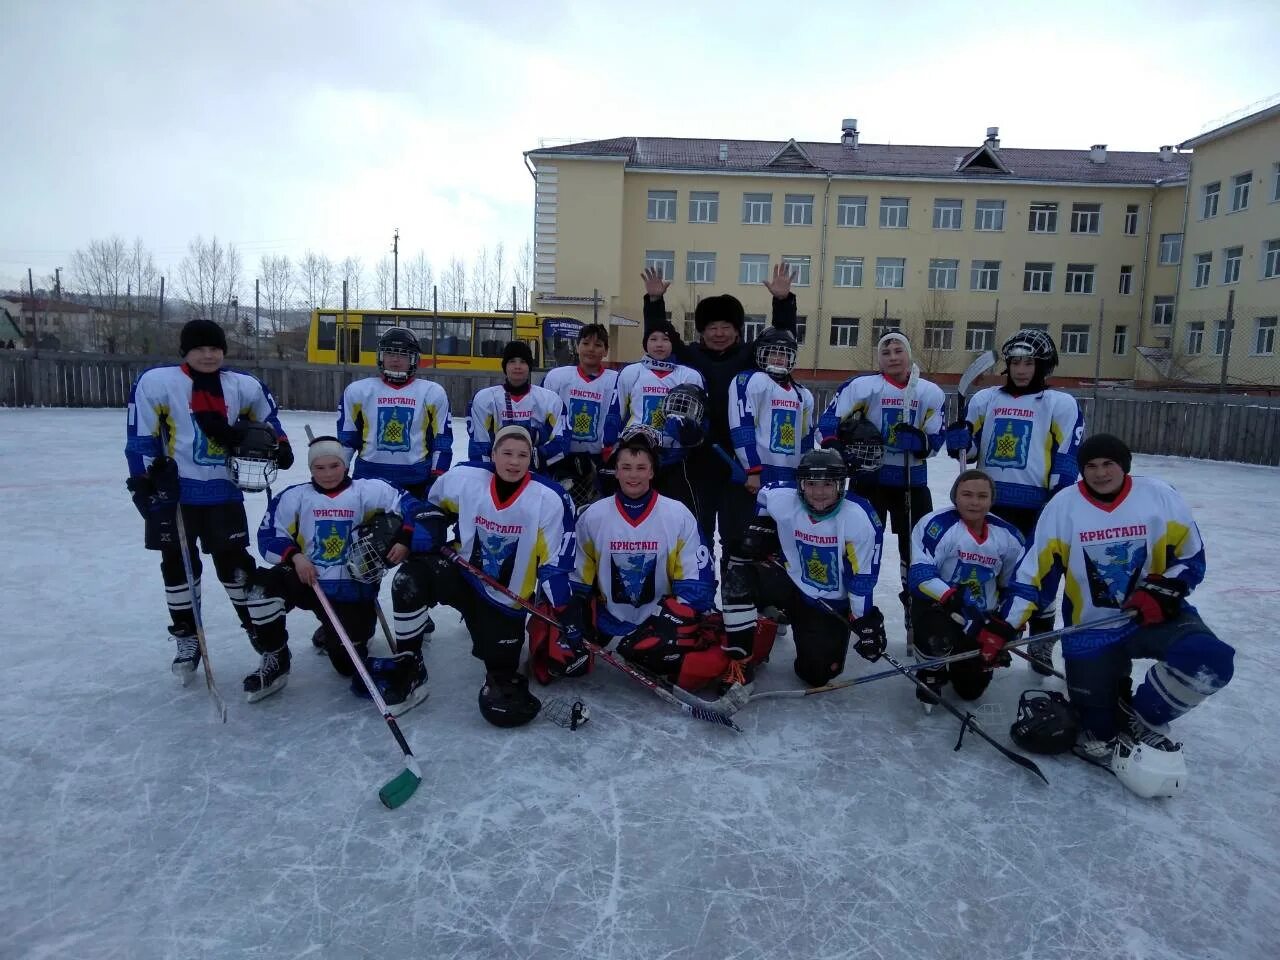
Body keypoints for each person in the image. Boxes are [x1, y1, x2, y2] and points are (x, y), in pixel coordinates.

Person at [975, 434, 1235, 797]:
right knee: (1099, 731)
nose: (1100, 473)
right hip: (1090, 630)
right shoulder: (1062, 506)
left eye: (1108, 464)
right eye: (1091, 466)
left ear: (1124, 465)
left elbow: (1192, 559)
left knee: (1211, 661)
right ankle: (1109, 707)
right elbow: (1032, 576)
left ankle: (1142, 715)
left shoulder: (1159, 496)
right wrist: (1005, 625)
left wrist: (1164, 590)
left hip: (1154, 616)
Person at [125, 318, 292, 682]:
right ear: (185, 351)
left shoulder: (242, 386)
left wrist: (281, 446)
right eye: (200, 348)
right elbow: (139, 438)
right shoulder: (159, 383)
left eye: (215, 348)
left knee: (235, 568)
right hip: (175, 495)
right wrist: (143, 484)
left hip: (223, 492)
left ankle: (264, 637)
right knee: (178, 566)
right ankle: (188, 638)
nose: (208, 354)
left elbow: (269, 422)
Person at [392, 425, 577, 727]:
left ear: (531, 458)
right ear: (493, 454)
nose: (514, 462)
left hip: (508, 599)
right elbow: (432, 504)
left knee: (503, 679)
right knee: (408, 580)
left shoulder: (548, 498)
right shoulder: (466, 478)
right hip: (461, 573)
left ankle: (495, 648)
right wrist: (431, 522)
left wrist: (563, 609)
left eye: (522, 455)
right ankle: (409, 663)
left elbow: (556, 561)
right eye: (507, 453)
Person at [559, 425, 752, 694]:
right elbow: (577, 576)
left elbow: (698, 581)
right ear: (616, 470)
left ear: (652, 471)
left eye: (640, 468)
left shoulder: (677, 515)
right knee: (560, 659)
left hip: (659, 625)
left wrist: (671, 619)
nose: (633, 475)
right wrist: (574, 608)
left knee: (691, 666)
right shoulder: (593, 516)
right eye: (626, 467)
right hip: (609, 624)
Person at [244, 436, 425, 709]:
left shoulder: (370, 490)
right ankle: (276, 657)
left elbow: (412, 507)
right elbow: (269, 535)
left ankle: (343, 632)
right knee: (261, 590)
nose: (328, 473)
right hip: (308, 580)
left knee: (345, 666)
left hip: (352, 589)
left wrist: (404, 539)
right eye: (319, 467)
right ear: (310, 468)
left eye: (334, 465)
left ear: (345, 465)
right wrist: (294, 556)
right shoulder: (295, 496)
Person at [948, 329, 1084, 675]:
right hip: (989, 502)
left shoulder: (1060, 404)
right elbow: (972, 449)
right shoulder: (985, 399)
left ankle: (1039, 644)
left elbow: (1068, 453)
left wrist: (1056, 499)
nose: (1021, 369)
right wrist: (959, 440)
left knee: (1042, 577)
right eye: (1015, 362)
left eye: (1029, 362)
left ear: (1043, 366)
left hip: (1038, 505)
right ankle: (989, 636)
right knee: (989, 571)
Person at [640, 264, 797, 548]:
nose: (719, 333)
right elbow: (662, 335)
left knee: (736, 534)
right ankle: (698, 585)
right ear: (702, 331)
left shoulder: (750, 356)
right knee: (695, 533)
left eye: (726, 327)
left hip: (741, 462)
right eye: (712, 327)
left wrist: (783, 301)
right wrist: (654, 302)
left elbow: (781, 338)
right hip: (698, 459)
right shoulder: (691, 356)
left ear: (737, 331)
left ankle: (735, 586)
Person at [722, 447, 886, 688]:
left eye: (828, 484)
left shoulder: (859, 518)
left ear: (841, 484)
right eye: (811, 484)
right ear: (800, 485)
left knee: (815, 675)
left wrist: (864, 619)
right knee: (739, 579)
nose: (819, 493)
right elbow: (764, 495)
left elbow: (862, 577)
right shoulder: (783, 498)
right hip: (789, 580)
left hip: (827, 602)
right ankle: (740, 661)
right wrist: (762, 524)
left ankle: (791, 625)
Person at [817, 331, 945, 640]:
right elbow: (829, 422)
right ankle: (852, 610)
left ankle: (916, 612)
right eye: (885, 352)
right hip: (869, 480)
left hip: (910, 483)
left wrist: (921, 442)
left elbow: (936, 438)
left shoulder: (929, 392)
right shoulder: (863, 387)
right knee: (858, 547)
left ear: (909, 354)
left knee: (914, 553)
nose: (892, 356)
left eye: (898, 350)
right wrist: (841, 446)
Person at [906, 469, 1026, 710]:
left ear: (991, 500)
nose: (974, 502)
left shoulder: (1009, 536)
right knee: (935, 637)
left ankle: (967, 660)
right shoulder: (936, 525)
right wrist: (951, 597)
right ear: (955, 497)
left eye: (982, 496)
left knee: (970, 691)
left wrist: (1006, 623)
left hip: (981, 615)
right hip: (941, 607)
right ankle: (931, 671)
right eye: (967, 494)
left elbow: (1016, 585)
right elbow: (919, 575)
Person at [602, 320, 707, 518]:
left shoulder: (689, 375)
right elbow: (615, 412)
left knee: (678, 515)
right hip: (638, 455)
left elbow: (702, 422)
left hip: (675, 458)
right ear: (645, 343)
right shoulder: (631, 372)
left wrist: (689, 433)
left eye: (665, 339)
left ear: (673, 343)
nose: (659, 344)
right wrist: (609, 446)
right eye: (653, 339)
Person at [337, 326, 452, 500]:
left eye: (403, 354)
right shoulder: (358, 391)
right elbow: (347, 439)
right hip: (369, 479)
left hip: (415, 480)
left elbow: (441, 440)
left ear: (414, 359)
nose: (395, 360)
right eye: (390, 354)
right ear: (381, 356)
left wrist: (438, 474)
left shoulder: (432, 392)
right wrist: (338, 471)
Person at [540, 322, 619, 509]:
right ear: (577, 347)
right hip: (561, 460)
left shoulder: (615, 380)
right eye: (585, 343)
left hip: (597, 459)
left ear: (606, 350)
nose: (591, 349)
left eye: (598, 345)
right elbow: (544, 415)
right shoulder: (557, 377)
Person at [728, 327, 816, 488]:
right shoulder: (749, 380)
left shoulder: (803, 394)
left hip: (790, 475)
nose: (778, 358)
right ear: (762, 354)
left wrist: (806, 473)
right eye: (773, 352)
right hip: (756, 474)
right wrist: (752, 470)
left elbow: (806, 438)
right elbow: (741, 426)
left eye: (783, 354)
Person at [467, 340, 568, 475]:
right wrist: (488, 472)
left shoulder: (550, 400)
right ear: (505, 366)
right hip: (495, 474)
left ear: (529, 366)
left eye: (523, 362)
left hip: (536, 474)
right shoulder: (485, 399)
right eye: (512, 361)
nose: (517, 366)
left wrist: (536, 456)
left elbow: (561, 442)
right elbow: (479, 444)